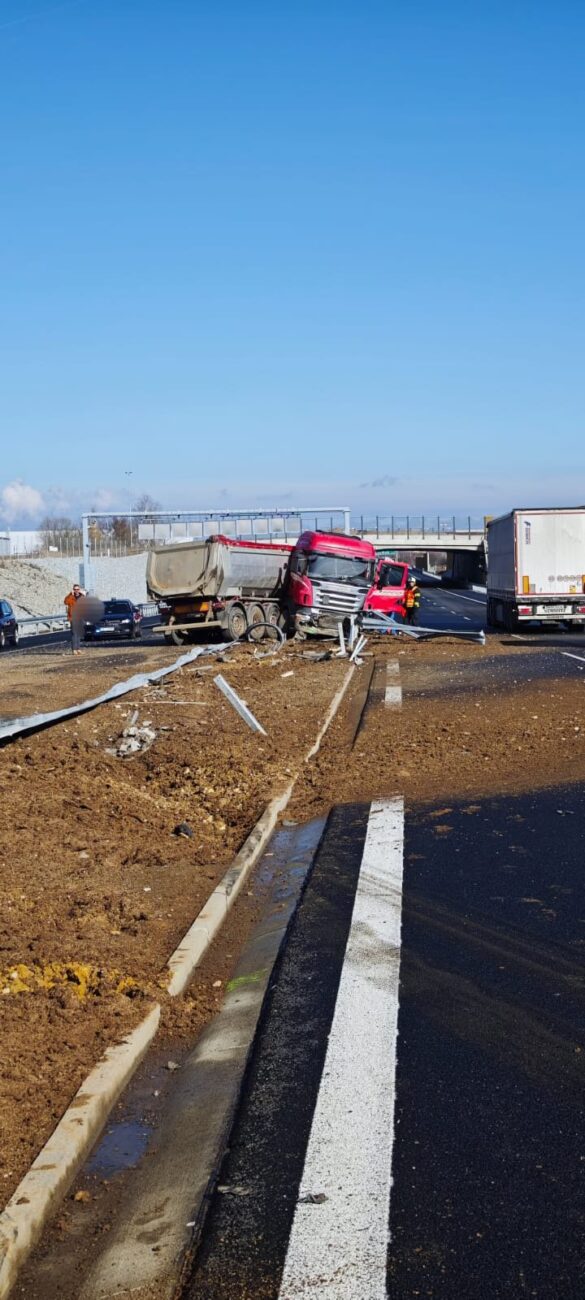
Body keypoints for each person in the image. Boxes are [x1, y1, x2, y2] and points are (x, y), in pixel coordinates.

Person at [64, 583, 86, 654]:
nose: (76, 590)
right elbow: (65, 602)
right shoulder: (71, 597)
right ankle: (74, 649)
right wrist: (70, 594)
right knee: (74, 633)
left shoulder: (82, 597)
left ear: (79, 590)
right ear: (73, 590)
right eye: (75, 589)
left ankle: (78, 649)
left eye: (77, 589)